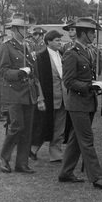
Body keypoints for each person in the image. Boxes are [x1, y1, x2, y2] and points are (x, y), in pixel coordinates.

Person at [57, 17, 102, 189]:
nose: (94, 36)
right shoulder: (71, 53)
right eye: (91, 33)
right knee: (87, 140)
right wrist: (89, 86)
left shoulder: (90, 51)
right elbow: (69, 82)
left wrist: (93, 87)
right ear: (83, 34)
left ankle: (65, 173)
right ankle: (97, 177)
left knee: (75, 139)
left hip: (88, 102)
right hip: (77, 104)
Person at [0, 14, 45, 173]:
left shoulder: (29, 46)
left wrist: (39, 95)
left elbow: (35, 72)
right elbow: (3, 71)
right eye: (24, 28)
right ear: (15, 29)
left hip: (29, 92)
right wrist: (19, 72)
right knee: (17, 126)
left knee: (27, 129)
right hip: (14, 92)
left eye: (27, 27)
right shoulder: (7, 46)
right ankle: (3, 157)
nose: (27, 30)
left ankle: (21, 163)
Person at [31, 30, 68, 162]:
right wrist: (40, 99)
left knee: (60, 126)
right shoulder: (41, 57)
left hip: (63, 97)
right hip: (47, 97)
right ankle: (32, 149)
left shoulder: (63, 55)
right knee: (43, 124)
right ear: (49, 42)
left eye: (60, 40)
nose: (60, 43)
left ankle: (56, 154)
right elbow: (37, 79)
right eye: (57, 40)